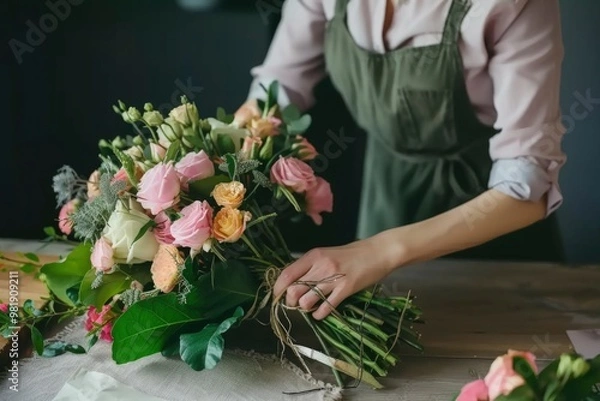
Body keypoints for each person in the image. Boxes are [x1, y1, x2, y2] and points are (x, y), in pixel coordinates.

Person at [234, 0, 566, 321]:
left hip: (490, 217)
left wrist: (380, 250)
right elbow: (278, 89)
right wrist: (221, 169)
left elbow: (529, 183)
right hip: (386, 194)